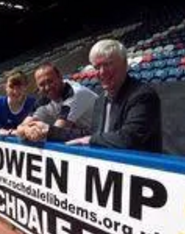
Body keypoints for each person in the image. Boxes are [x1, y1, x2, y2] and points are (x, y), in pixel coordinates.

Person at [22, 39, 162, 153]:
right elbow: (92, 133)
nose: (102, 72)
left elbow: (129, 138)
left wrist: (90, 140)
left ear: (125, 64)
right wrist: (48, 131)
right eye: (96, 67)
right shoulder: (101, 99)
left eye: (107, 65)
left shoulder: (142, 95)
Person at [16, 63, 97, 139]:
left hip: (102, 135)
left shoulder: (75, 94)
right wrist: (27, 130)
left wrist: (35, 131)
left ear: (60, 77)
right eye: (42, 84)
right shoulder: (44, 99)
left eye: (50, 81)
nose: (47, 87)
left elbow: (57, 131)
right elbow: (20, 127)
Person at [0, 70, 36, 136]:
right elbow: (0, 129)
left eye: (19, 87)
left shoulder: (32, 103)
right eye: (11, 87)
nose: (15, 91)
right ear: (5, 87)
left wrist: (12, 132)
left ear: (25, 87)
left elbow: (32, 130)